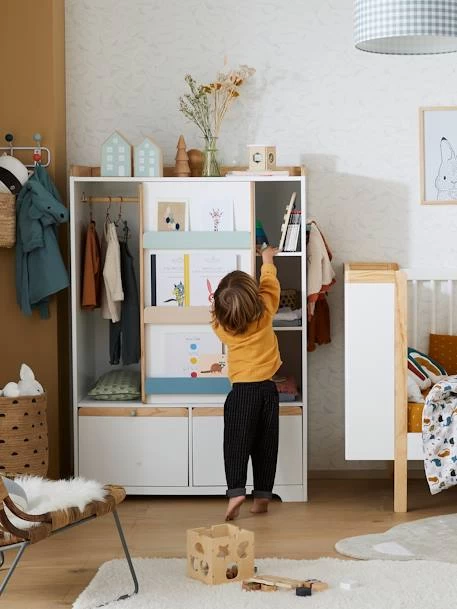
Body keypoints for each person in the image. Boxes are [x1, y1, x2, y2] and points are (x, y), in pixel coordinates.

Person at [212, 246, 281, 520]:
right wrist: (267, 258)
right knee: (266, 447)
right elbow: (270, 285)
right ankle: (262, 497)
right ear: (255, 298)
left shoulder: (222, 326)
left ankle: (236, 492)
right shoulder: (266, 311)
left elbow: (217, 311)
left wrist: (219, 301)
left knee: (236, 445)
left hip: (242, 393)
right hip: (268, 390)